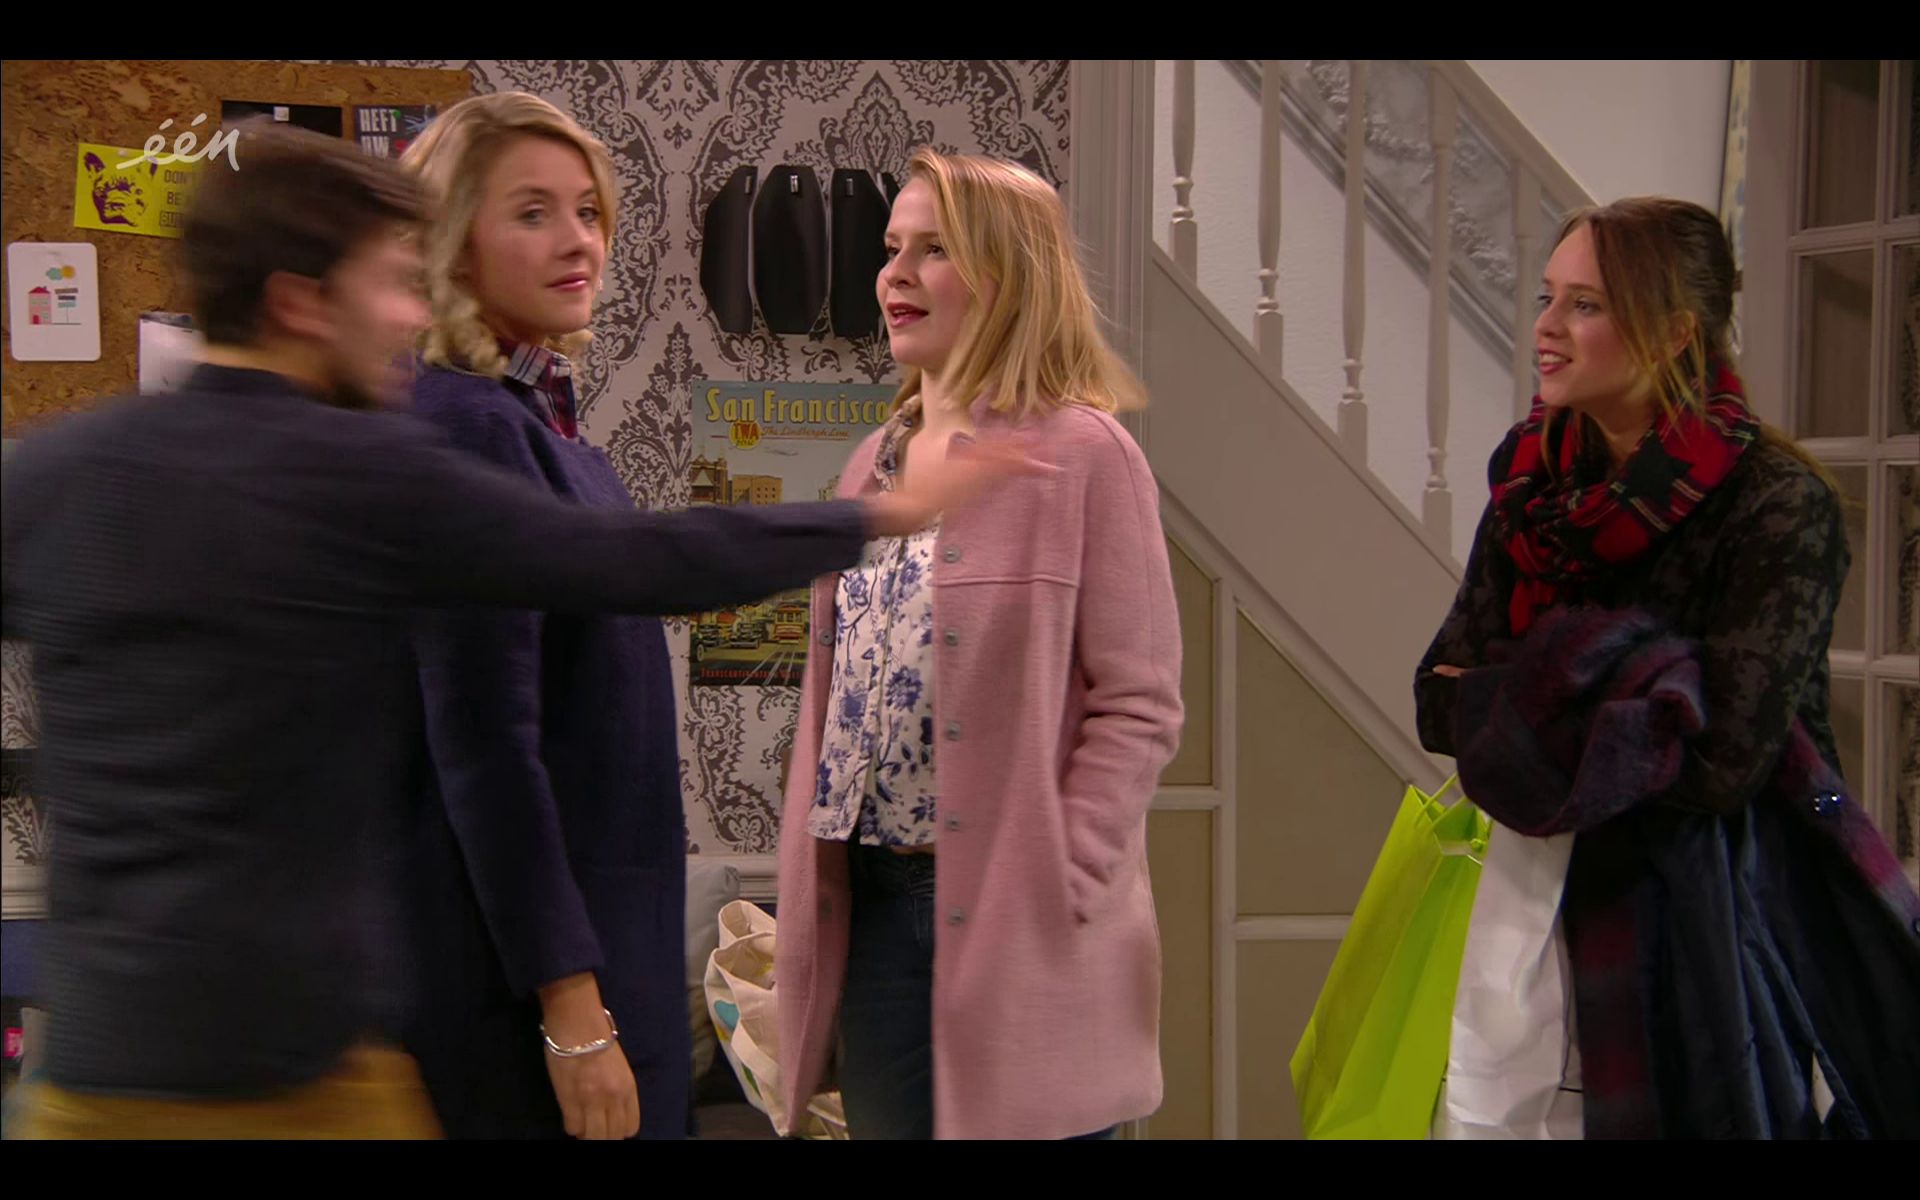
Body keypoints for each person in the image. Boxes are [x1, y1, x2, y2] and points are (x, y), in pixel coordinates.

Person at [1, 121, 1025, 1140]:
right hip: (307, 1067)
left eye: (586, 211)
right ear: (300, 302)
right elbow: (625, 580)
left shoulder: (65, 467)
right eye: (388, 284)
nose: (408, 312)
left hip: (99, 1074)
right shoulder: (380, 465)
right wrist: (879, 512)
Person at [1416, 196, 1920, 1138]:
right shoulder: (1530, 485)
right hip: (1526, 897)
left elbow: (1723, 762)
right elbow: (1436, 702)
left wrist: (1519, 699)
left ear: (1677, 332)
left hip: (1720, 918)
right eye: (1547, 297)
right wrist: (1636, 688)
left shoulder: (1776, 503)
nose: (1546, 328)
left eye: (1586, 306)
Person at [774, 149, 1184, 1141]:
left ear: (1011, 275)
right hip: (872, 908)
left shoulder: (1087, 453)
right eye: (892, 248)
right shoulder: (871, 463)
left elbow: (1140, 702)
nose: (896, 274)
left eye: (935, 250)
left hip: (1018, 920)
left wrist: (1065, 876)